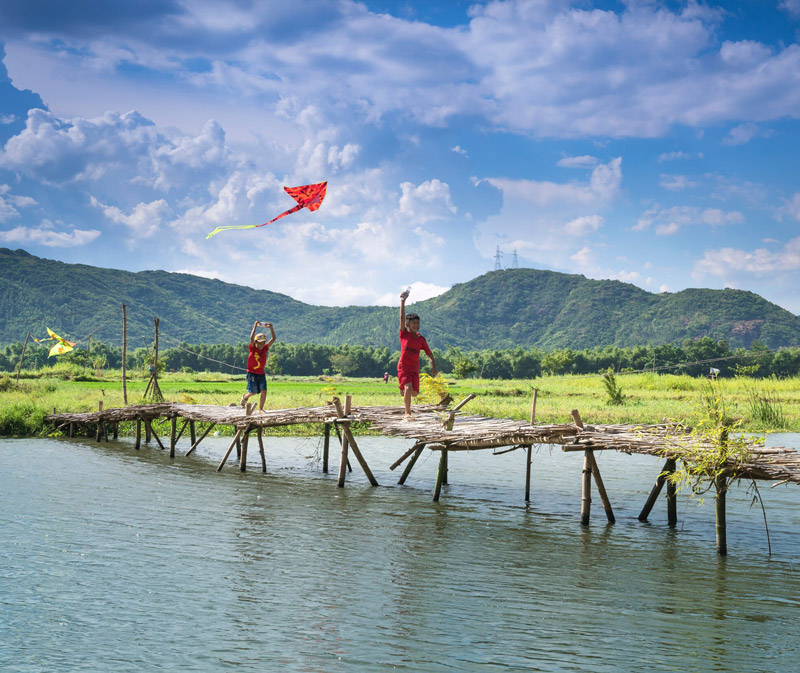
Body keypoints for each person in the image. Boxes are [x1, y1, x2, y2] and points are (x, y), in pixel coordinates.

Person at [398, 291, 437, 420]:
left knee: (414, 393)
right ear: (408, 325)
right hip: (404, 367)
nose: (416, 325)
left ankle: (403, 389)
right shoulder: (404, 334)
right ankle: (407, 413)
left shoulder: (421, 339)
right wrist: (403, 302)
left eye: (418, 323)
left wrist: (434, 366)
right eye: (413, 323)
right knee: (409, 388)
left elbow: (429, 353)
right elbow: (402, 318)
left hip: (414, 369)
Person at [241, 320, 276, 411]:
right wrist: (255, 326)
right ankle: (245, 396)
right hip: (252, 372)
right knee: (253, 392)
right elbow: (251, 337)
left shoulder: (264, 349)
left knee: (264, 391)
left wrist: (271, 328)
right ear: (256, 343)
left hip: (261, 373)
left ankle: (261, 409)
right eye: (259, 343)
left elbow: (274, 338)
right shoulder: (252, 348)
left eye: (263, 343)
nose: (261, 345)